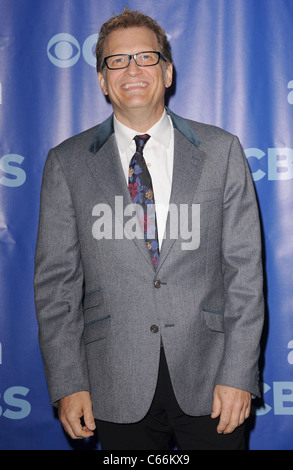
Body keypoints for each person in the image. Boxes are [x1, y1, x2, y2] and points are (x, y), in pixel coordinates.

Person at [34, 8, 264, 450]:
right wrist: (68, 382)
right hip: (112, 383)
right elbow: (55, 285)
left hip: (212, 379)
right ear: (103, 80)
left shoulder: (221, 151)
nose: (133, 69)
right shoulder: (67, 162)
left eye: (146, 57)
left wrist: (239, 373)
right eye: (117, 61)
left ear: (168, 70)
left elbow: (245, 274)